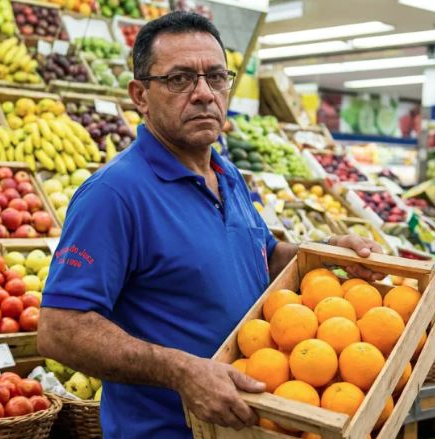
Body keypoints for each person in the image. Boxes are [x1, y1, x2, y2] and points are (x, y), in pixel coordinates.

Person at [37, 11, 384, 439]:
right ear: (140, 95)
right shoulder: (113, 194)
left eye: (216, 77)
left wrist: (325, 251)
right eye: (180, 79)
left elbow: (264, 257)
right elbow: (60, 329)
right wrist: (181, 371)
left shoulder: (227, 174)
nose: (204, 94)